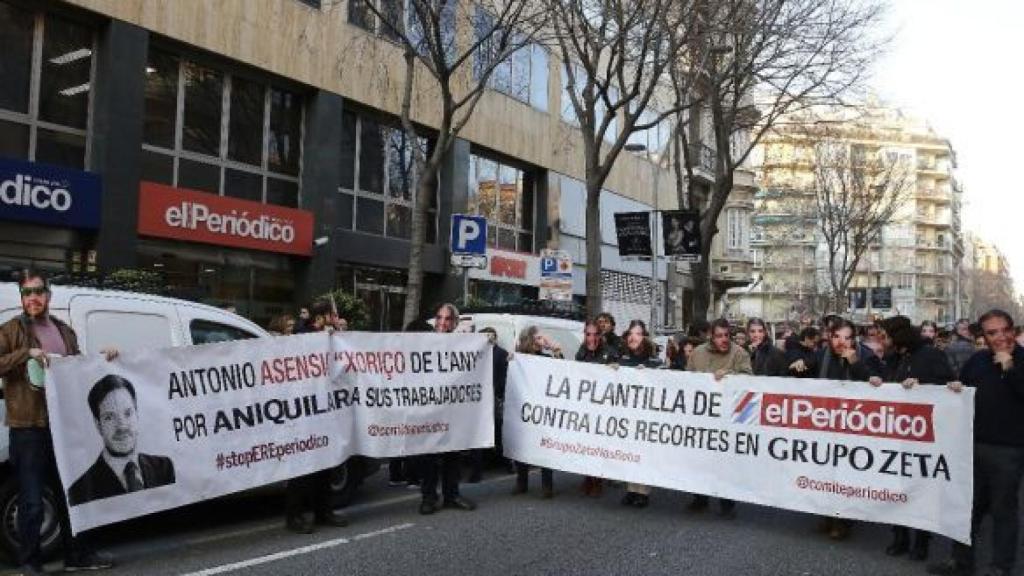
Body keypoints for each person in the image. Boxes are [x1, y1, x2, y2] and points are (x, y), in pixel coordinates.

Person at [0, 270, 117, 573]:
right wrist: (26, 353)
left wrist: (104, 359)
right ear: (22, 298)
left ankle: (77, 556)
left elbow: (78, 369)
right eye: (27, 293)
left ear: (48, 295)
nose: (33, 298)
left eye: (38, 291)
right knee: (32, 500)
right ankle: (30, 563)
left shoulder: (63, 331)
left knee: (72, 496)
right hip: (28, 428)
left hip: (63, 426)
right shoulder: (10, 330)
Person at [929, 310, 1024, 576]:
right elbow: (963, 389)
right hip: (971, 446)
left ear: (1012, 329)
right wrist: (954, 388)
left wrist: (1009, 366)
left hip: (1009, 451)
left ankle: (1000, 567)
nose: (1000, 337)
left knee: (1003, 511)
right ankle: (960, 562)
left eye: (1004, 330)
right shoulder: (978, 360)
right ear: (984, 336)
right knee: (966, 508)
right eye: (992, 333)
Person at [876, 316, 954, 562]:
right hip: (898, 432)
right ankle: (899, 536)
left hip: (924, 436)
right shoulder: (895, 357)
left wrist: (924, 387)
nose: (882, 340)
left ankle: (921, 541)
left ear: (898, 336)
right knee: (897, 488)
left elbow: (949, 385)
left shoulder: (930, 355)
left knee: (921, 490)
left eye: (885, 335)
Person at [815, 317, 884, 540]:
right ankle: (828, 515)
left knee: (846, 475)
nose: (841, 342)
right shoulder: (821, 356)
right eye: (836, 337)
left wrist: (855, 363)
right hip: (825, 423)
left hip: (855, 427)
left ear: (854, 340)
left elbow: (880, 382)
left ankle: (842, 519)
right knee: (825, 472)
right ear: (829, 337)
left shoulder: (866, 356)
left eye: (847, 338)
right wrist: (797, 365)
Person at [284, 300, 349, 534]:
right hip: (304, 413)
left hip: (326, 411)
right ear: (322, 317)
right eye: (333, 314)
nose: (337, 318)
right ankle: (294, 516)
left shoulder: (328, 336)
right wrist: (324, 335)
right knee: (303, 470)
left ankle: (324, 511)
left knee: (326, 466)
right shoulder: (304, 334)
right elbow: (301, 334)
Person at [68, 375, 176, 506]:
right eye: (109, 417)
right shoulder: (80, 491)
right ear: (98, 425)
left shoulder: (164, 468)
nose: (122, 426)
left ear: (137, 414)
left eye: (128, 413)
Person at [685, 319, 752, 517]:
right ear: (710, 337)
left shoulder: (740, 353)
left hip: (728, 415)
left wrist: (730, 374)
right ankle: (700, 497)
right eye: (719, 336)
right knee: (700, 458)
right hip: (703, 414)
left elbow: (750, 378)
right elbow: (687, 379)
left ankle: (727, 502)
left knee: (725, 460)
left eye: (726, 335)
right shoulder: (697, 354)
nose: (724, 340)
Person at [417, 303, 476, 515]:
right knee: (429, 457)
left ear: (455, 323)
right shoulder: (423, 341)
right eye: (439, 317)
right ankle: (428, 497)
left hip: (451, 409)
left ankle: (452, 495)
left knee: (453, 454)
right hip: (429, 408)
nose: (442, 322)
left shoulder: (462, 345)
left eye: (448, 319)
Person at [512, 326, 562, 498]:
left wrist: (554, 348)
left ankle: (547, 485)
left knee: (544, 445)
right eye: (539, 338)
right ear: (530, 339)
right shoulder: (518, 359)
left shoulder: (545, 358)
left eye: (542, 338)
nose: (542, 341)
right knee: (523, 444)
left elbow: (562, 370)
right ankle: (521, 482)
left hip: (542, 410)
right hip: (524, 408)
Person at [618, 320, 661, 508]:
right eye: (630, 333)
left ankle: (642, 492)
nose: (633, 337)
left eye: (637, 333)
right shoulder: (624, 360)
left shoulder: (654, 362)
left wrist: (649, 375)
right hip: (628, 414)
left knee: (643, 453)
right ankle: (631, 489)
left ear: (644, 337)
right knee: (629, 452)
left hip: (647, 416)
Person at [575, 320, 620, 497]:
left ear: (600, 336)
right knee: (586, 445)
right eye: (588, 334)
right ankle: (587, 477)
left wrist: (615, 369)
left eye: (595, 334)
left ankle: (598, 480)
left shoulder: (610, 353)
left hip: (604, 407)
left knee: (599, 445)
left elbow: (620, 375)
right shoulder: (581, 353)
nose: (591, 338)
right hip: (586, 406)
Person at [466, 326, 509, 484]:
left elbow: (502, 377)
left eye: (491, 335)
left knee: (497, 432)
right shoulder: (477, 354)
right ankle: (477, 470)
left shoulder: (502, 353)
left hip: (494, 399)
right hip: (478, 400)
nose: (488, 338)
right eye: (486, 335)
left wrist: (496, 392)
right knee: (478, 435)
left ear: (496, 337)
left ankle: (504, 461)